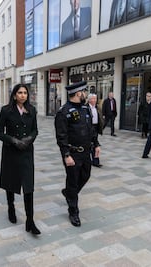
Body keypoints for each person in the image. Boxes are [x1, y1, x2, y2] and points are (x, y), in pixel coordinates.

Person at [0, 84, 41, 235]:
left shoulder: (32, 110)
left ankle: (30, 220)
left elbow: (35, 130)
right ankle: (11, 207)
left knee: (28, 185)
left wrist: (28, 139)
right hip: (11, 151)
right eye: (19, 93)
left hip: (27, 151)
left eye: (25, 93)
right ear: (14, 95)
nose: (23, 95)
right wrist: (14, 141)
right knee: (11, 182)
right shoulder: (6, 110)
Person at [55, 81, 99, 227]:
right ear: (78, 93)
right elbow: (61, 136)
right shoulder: (64, 112)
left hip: (86, 152)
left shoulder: (86, 108)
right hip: (73, 153)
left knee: (85, 176)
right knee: (73, 182)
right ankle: (73, 211)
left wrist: (96, 145)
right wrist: (66, 155)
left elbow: (91, 130)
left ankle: (68, 193)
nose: (85, 95)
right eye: (84, 92)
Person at [87, 93, 103, 167]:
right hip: (88, 128)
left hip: (95, 127)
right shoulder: (86, 107)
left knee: (95, 144)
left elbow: (100, 117)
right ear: (89, 99)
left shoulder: (97, 107)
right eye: (92, 99)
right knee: (88, 144)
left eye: (95, 99)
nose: (94, 100)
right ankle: (87, 160)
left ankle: (96, 161)